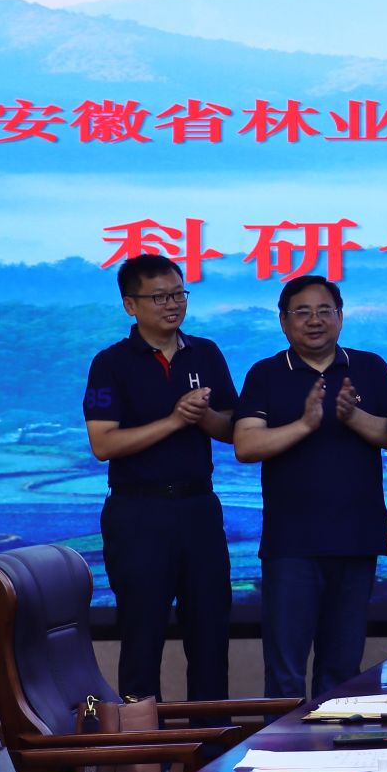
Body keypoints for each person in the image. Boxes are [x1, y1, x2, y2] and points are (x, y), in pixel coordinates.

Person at [232, 275, 387, 699]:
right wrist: (305, 424)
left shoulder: (370, 368)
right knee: (285, 673)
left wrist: (354, 417)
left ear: (341, 316)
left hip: (356, 537)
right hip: (292, 543)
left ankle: (336, 743)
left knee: (341, 670)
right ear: (283, 321)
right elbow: (246, 445)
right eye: (302, 312)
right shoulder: (267, 373)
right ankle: (281, 743)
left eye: (325, 311)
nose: (315, 320)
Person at [80, 254, 237, 701]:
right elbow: (103, 444)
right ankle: (142, 743)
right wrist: (173, 420)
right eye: (160, 297)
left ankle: (211, 738)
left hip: (199, 508)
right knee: (142, 637)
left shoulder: (206, 352)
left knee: (210, 637)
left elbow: (232, 429)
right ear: (130, 305)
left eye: (178, 294)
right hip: (138, 512)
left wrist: (202, 416)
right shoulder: (110, 363)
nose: (173, 305)